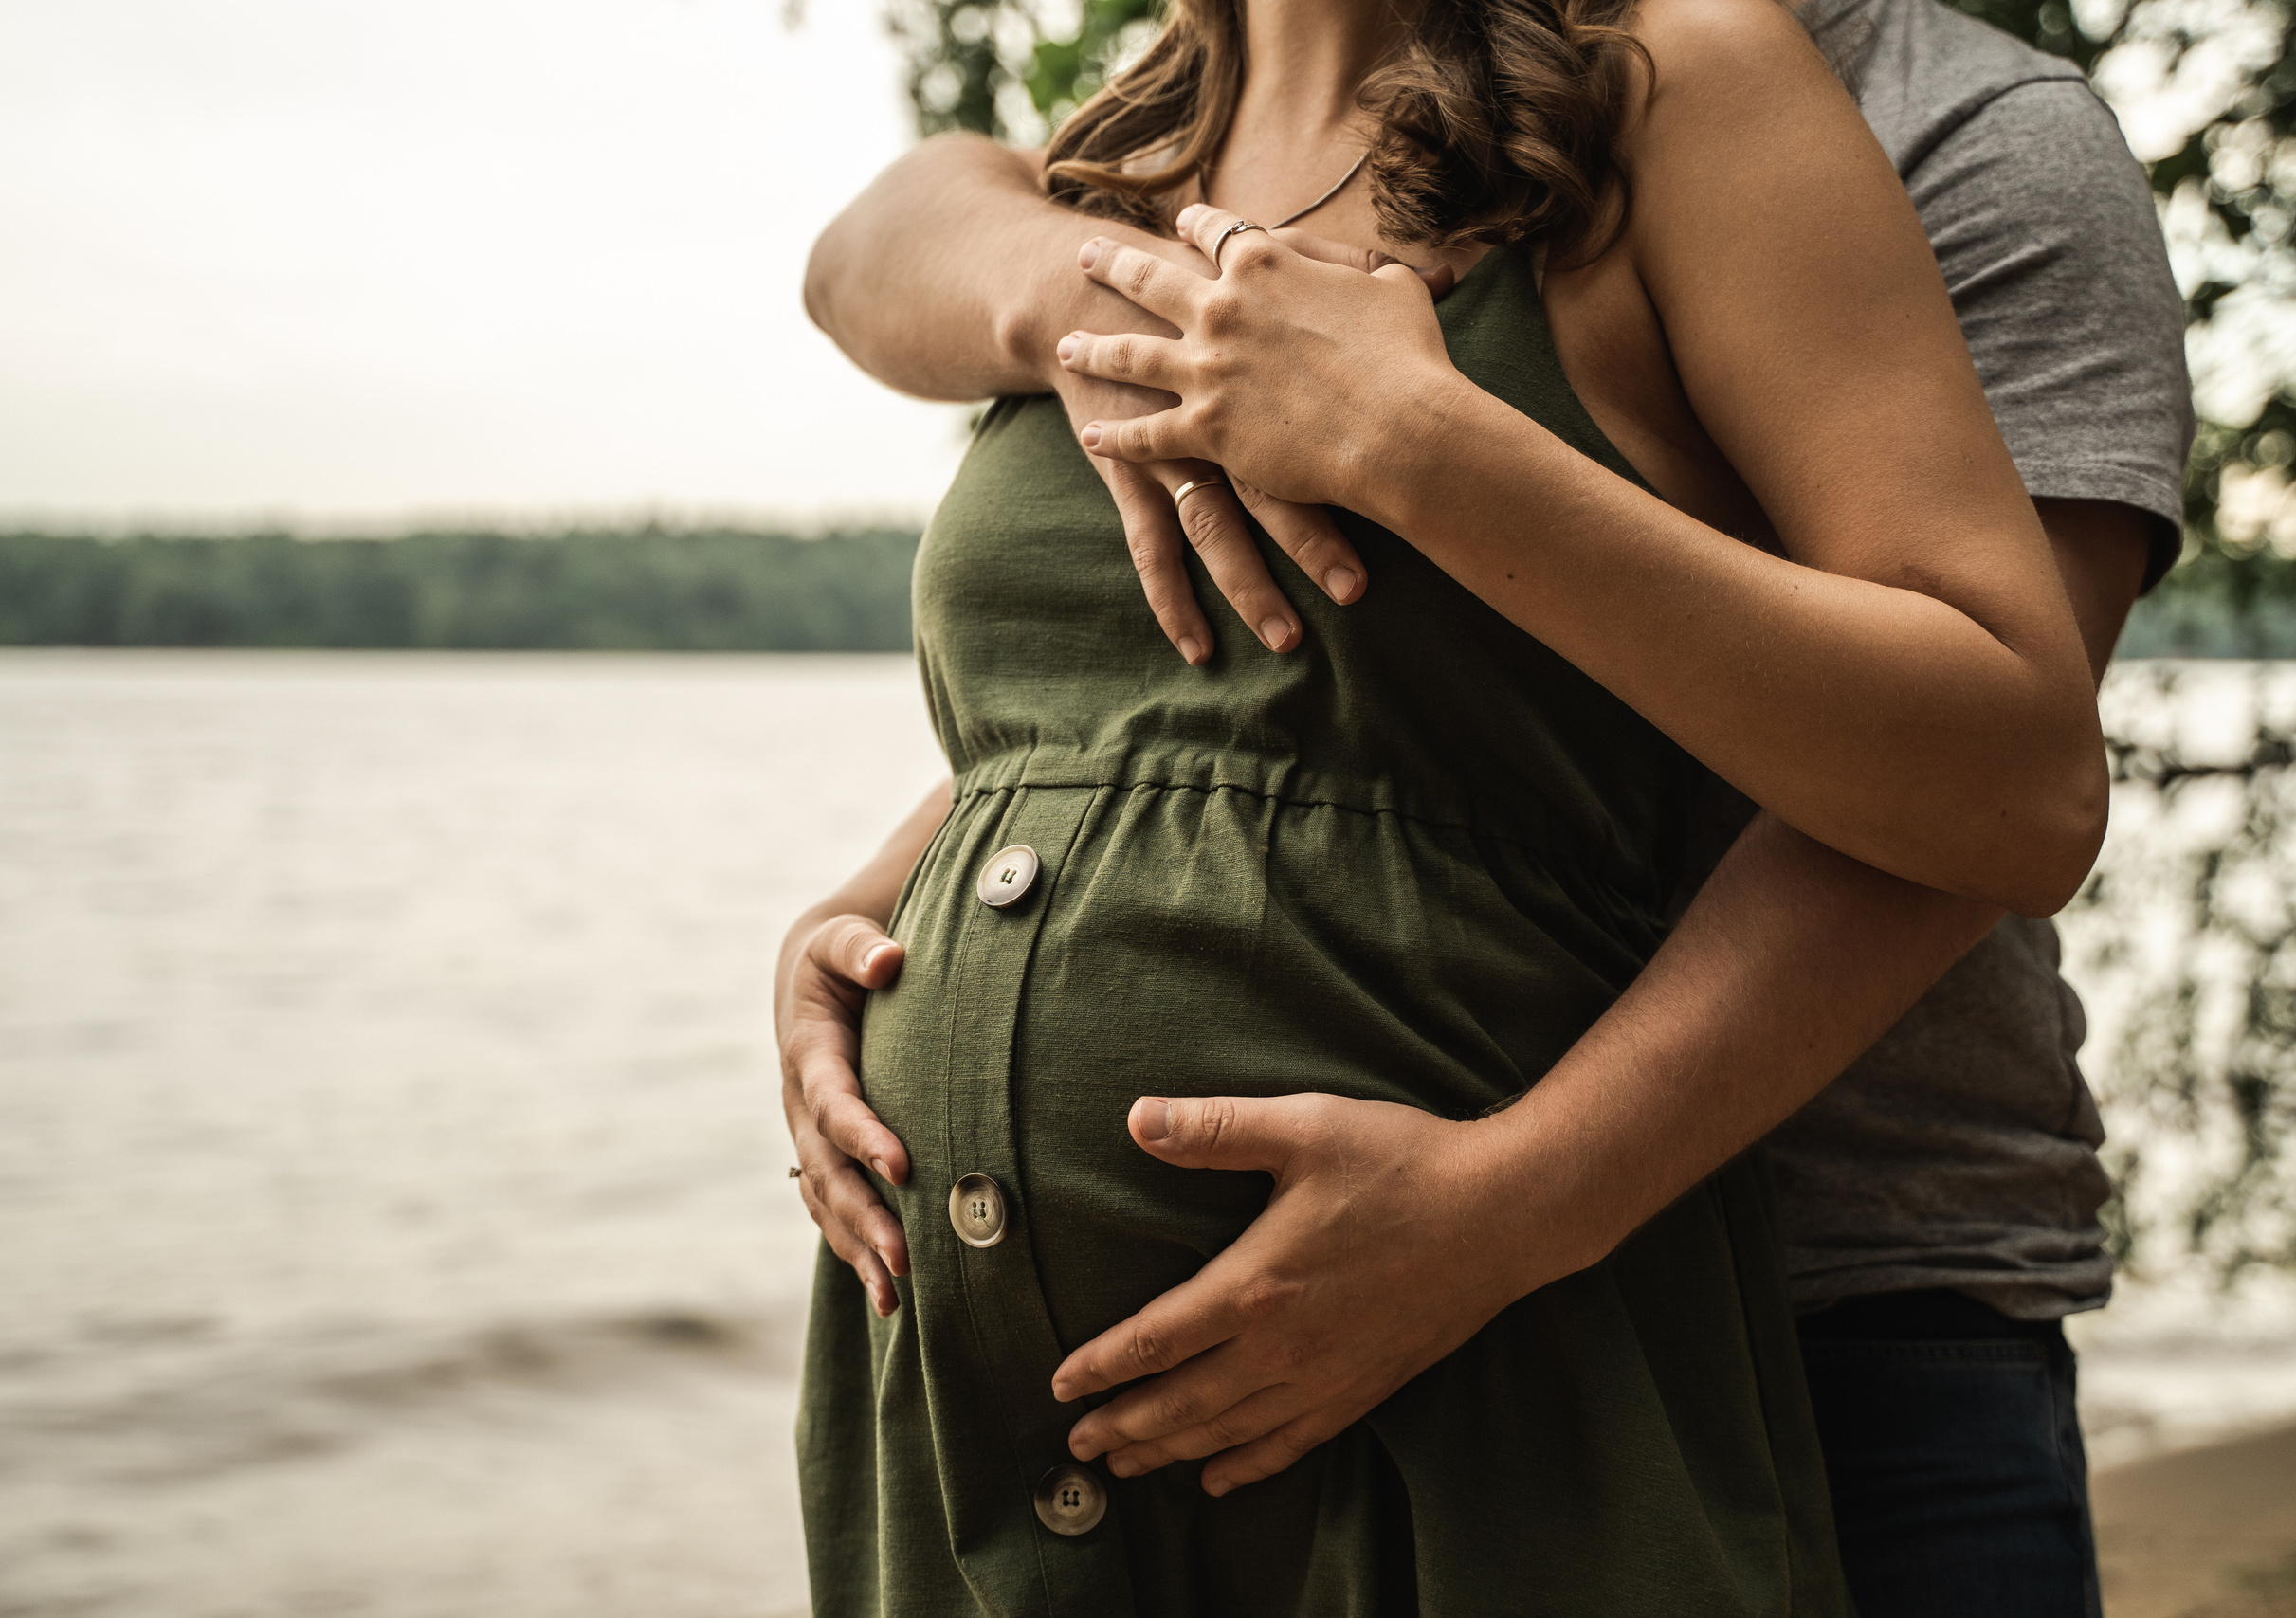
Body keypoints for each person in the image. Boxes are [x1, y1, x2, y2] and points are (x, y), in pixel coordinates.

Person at [778, 0, 2134, 1606]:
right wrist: (892, 914)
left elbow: (1996, 784)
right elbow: (1265, 712)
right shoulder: (1129, 154)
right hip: (988, 1434)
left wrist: (1410, 436)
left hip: (1716, 1315)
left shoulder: (1789, 101)